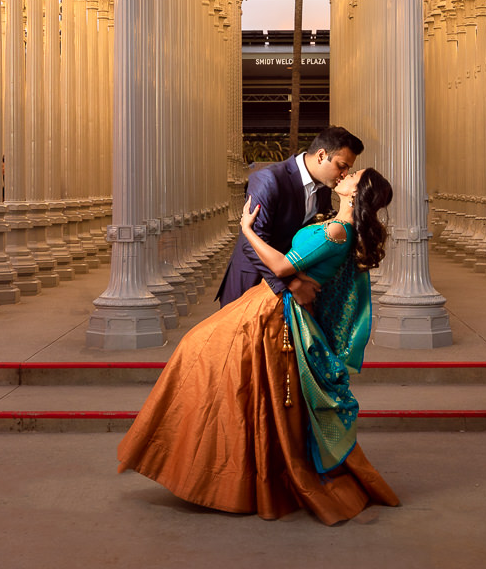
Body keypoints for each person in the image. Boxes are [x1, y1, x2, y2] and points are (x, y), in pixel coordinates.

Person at [118, 162, 399, 525]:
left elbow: (282, 268)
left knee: (203, 355)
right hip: (271, 304)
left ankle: (204, 466)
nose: (345, 175)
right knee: (230, 375)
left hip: (270, 308)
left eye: (353, 177)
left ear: (356, 194)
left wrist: (247, 231)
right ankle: (205, 463)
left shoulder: (334, 230)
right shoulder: (338, 225)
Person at [220, 127, 362, 309]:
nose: (344, 174)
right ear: (321, 156)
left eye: (348, 169)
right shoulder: (268, 180)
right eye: (342, 166)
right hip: (252, 281)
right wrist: (292, 283)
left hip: (292, 287)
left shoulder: (325, 188)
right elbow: (251, 243)